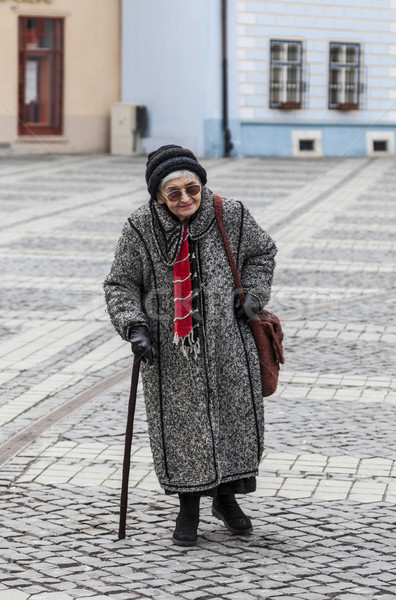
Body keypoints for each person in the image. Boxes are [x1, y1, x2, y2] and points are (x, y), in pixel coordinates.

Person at [104, 145, 277, 546]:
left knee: (233, 423)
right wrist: (135, 327)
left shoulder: (229, 214)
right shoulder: (140, 227)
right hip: (170, 353)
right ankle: (188, 509)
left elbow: (262, 253)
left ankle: (226, 500)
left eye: (192, 188)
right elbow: (121, 283)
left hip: (229, 344)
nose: (186, 199)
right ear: (158, 197)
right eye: (174, 193)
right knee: (182, 432)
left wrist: (253, 294)